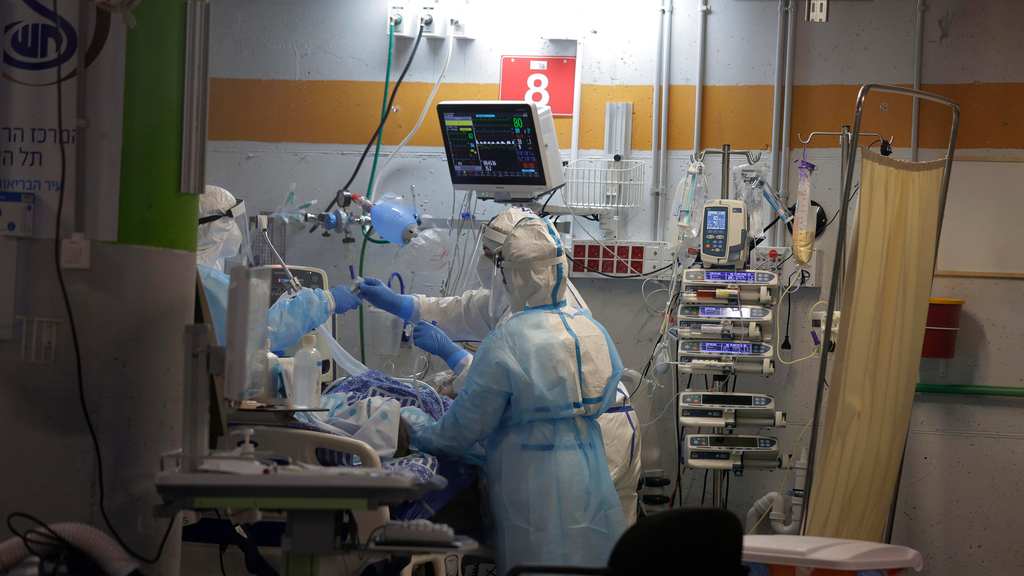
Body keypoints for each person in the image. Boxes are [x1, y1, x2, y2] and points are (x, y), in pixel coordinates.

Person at [360, 207, 643, 523]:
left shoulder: (526, 325)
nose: (483, 264)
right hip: (601, 431)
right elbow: (460, 310)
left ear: (509, 263)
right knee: (611, 538)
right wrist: (398, 303)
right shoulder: (543, 298)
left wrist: (424, 432)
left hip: (589, 441)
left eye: (488, 256)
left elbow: (484, 398)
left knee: (574, 541)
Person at [407, 216, 628, 574]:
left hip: (529, 476)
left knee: (536, 564)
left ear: (512, 275)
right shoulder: (589, 328)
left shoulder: (507, 339)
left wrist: (421, 435)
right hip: (587, 469)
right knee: (590, 556)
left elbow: (464, 427)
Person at [197, 185, 362, 350]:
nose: (237, 230)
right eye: (232, 222)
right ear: (214, 230)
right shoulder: (202, 280)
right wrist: (328, 301)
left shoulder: (203, 270)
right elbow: (264, 330)